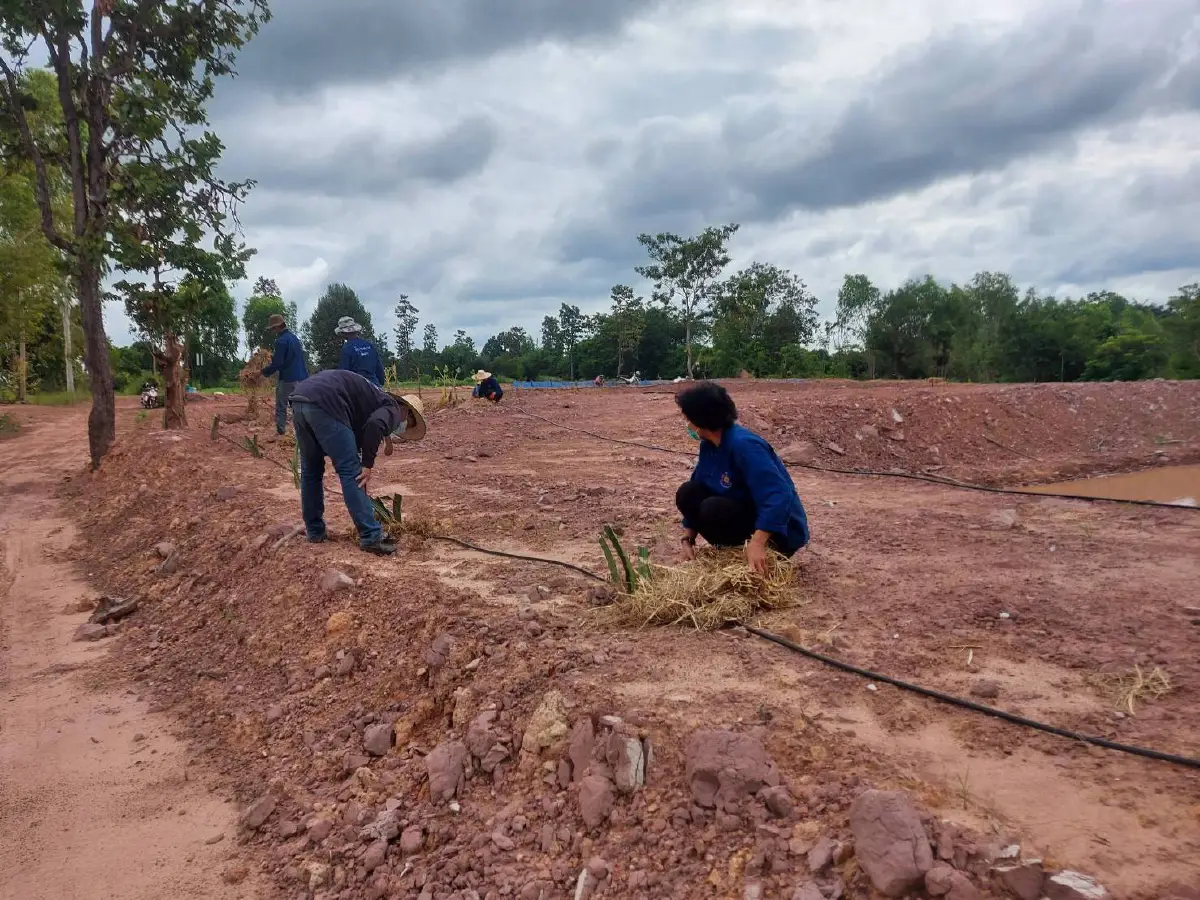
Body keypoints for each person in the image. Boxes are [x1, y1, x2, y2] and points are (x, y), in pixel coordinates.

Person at [675, 381, 809, 574]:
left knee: (712, 509)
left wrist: (757, 542)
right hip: (743, 513)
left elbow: (779, 495)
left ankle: (755, 552)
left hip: (779, 533)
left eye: (688, 418)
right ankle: (733, 550)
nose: (687, 424)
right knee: (688, 492)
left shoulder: (745, 446)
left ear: (702, 420)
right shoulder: (709, 446)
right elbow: (699, 484)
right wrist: (687, 538)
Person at [288, 369, 427, 555]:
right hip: (326, 402)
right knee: (352, 472)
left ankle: (315, 531)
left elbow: (362, 430)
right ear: (407, 412)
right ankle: (371, 536)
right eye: (408, 425)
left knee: (311, 470)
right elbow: (375, 425)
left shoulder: (373, 400)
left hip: (300, 398)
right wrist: (367, 464)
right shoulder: (393, 408)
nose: (402, 428)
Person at [261, 314, 308, 435]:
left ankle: (281, 431)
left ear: (277, 327)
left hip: (288, 378)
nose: (272, 331)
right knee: (299, 406)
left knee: (281, 405)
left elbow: (277, 364)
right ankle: (303, 431)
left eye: (272, 329)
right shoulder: (294, 338)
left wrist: (263, 372)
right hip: (302, 377)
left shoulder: (281, 341)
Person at [336, 317, 386, 386]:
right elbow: (379, 370)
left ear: (343, 333)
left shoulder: (346, 348)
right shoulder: (370, 345)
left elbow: (344, 375)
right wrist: (380, 385)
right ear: (356, 331)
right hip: (375, 387)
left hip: (358, 390)